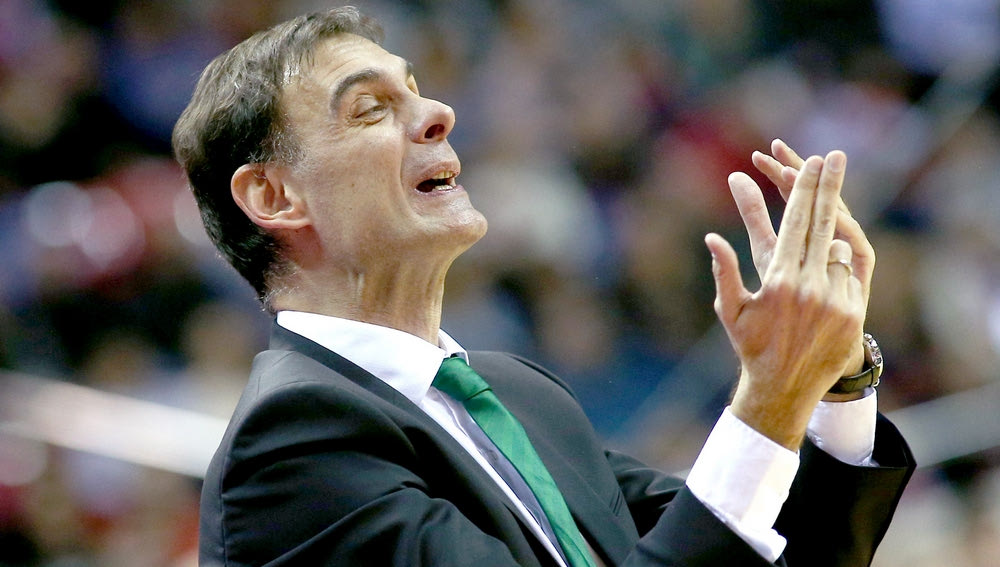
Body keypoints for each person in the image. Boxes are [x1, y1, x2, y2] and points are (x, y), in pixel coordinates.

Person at [172, 7, 914, 567]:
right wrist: (771, 396)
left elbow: (758, 546)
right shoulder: (291, 448)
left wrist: (836, 376)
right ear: (273, 196)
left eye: (418, 91)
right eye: (371, 109)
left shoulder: (518, 395)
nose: (438, 114)